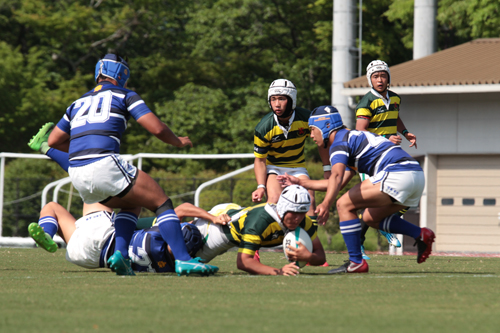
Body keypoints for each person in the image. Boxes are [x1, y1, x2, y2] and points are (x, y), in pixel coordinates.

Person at [41, 54, 213, 276]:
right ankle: (184, 259)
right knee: (161, 202)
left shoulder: (76, 103)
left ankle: (120, 255)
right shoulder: (124, 94)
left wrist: (82, 148)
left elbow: (54, 140)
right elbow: (157, 128)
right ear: (120, 74)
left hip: (78, 173)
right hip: (104, 162)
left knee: (131, 204)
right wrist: (177, 140)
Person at [277, 105, 435, 274]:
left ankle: (356, 262)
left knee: (343, 204)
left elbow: (335, 178)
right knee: (369, 217)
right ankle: (420, 234)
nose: (311, 135)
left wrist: (326, 203)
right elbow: (336, 182)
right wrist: (299, 182)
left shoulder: (338, 142)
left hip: (398, 172)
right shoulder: (350, 138)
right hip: (416, 175)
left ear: (327, 126)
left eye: (312, 129)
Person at [28, 201, 223, 276]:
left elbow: (181, 209)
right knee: (70, 223)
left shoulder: (161, 231)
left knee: (96, 195)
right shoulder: (170, 267)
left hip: (103, 236)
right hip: (88, 259)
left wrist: (212, 217)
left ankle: (47, 233)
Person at [355, 60, 418, 259]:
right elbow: (359, 132)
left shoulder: (395, 99)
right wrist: (385, 138)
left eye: (383, 76)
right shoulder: (367, 101)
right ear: (369, 80)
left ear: (388, 78)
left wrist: (406, 133)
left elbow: (395, 118)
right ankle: (359, 245)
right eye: (375, 76)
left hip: (389, 157)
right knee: (370, 201)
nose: (380, 80)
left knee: (406, 192)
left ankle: (386, 221)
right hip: (370, 157)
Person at [192, 185, 327, 276]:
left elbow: (320, 256)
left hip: (235, 215)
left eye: (302, 213)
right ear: (283, 208)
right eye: (294, 212)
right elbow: (243, 262)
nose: (298, 218)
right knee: (179, 259)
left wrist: (308, 257)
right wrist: (278, 272)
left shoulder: (304, 221)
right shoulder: (260, 222)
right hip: (216, 230)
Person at [252, 79, 330, 220]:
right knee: (274, 200)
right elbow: (260, 160)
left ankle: (309, 239)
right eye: (273, 99)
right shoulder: (264, 127)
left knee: (308, 200)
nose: (277, 104)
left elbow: (321, 143)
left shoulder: (306, 118)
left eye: (282, 99)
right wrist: (260, 186)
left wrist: (327, 168)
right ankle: (277, 240)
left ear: (292, 100)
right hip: (274, 168)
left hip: (298, 167)